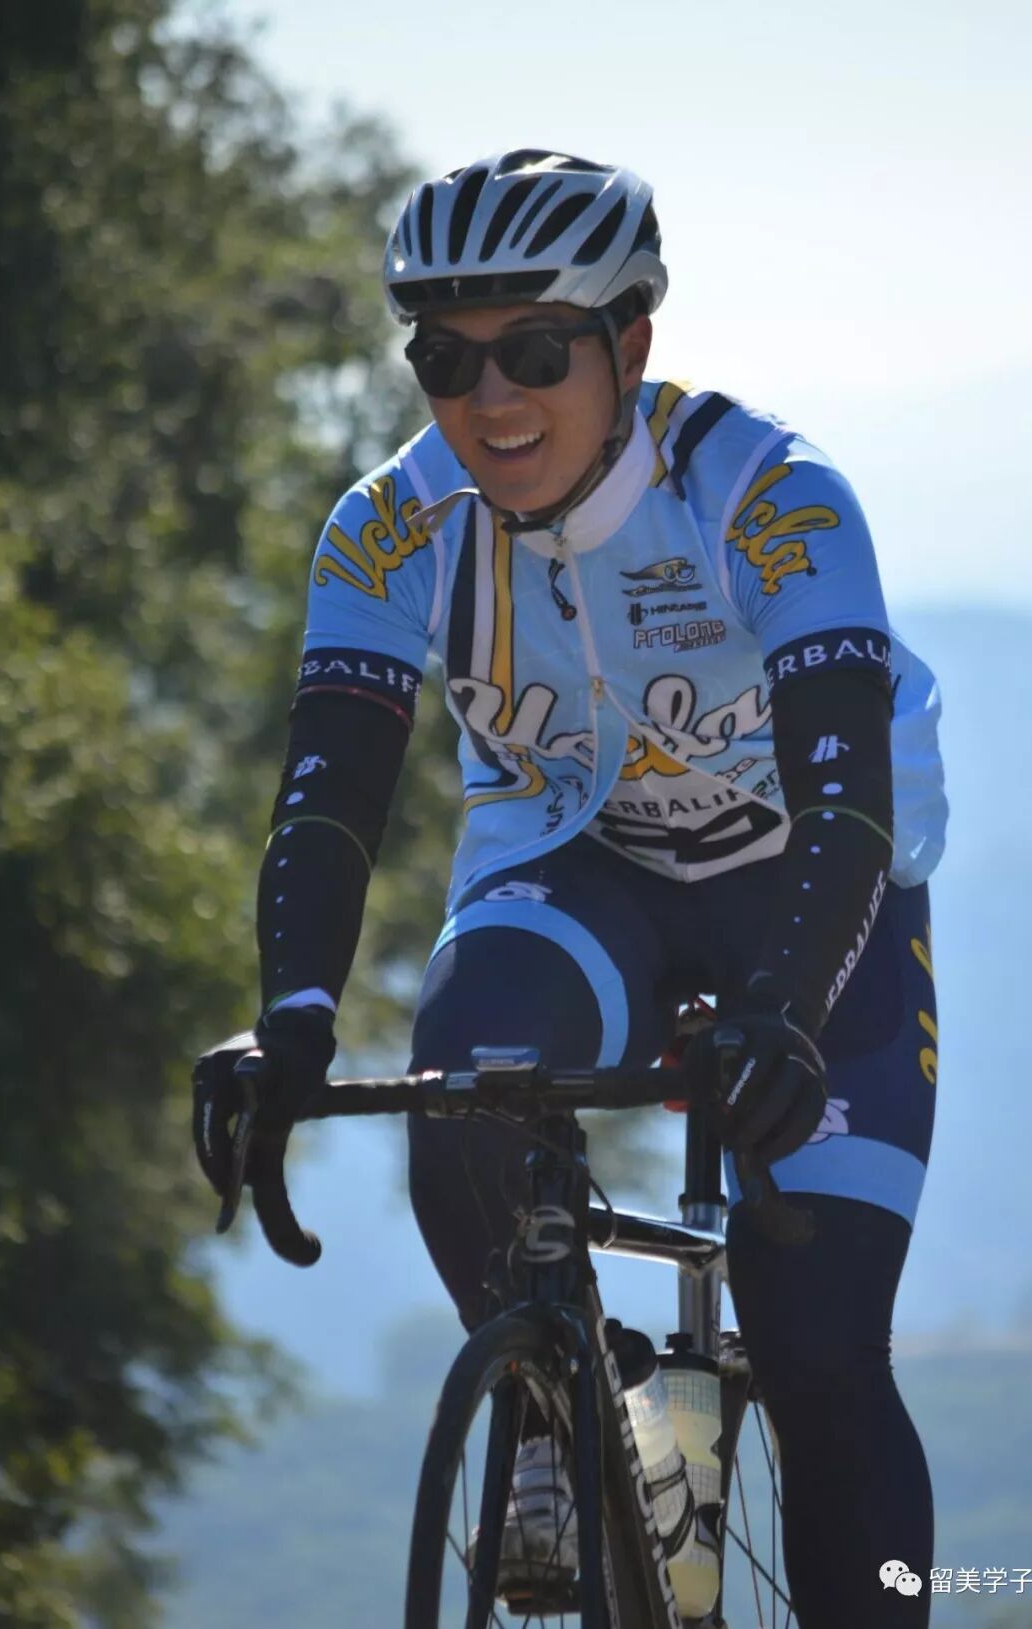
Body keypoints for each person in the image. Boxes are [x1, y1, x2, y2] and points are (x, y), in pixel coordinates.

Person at [193, 149, 948, 1627]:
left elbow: (850, 805)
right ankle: (562, 1408)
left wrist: (787, 1012)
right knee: (465, 1087)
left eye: (536, 352)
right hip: (580, 874)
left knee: (819, 1353)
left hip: (813, 892)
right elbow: (332, 797)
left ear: (632, 344)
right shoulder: (390, 527)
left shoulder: (773, 495)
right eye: (445, 359)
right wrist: (290, 1021)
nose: (491, 399)